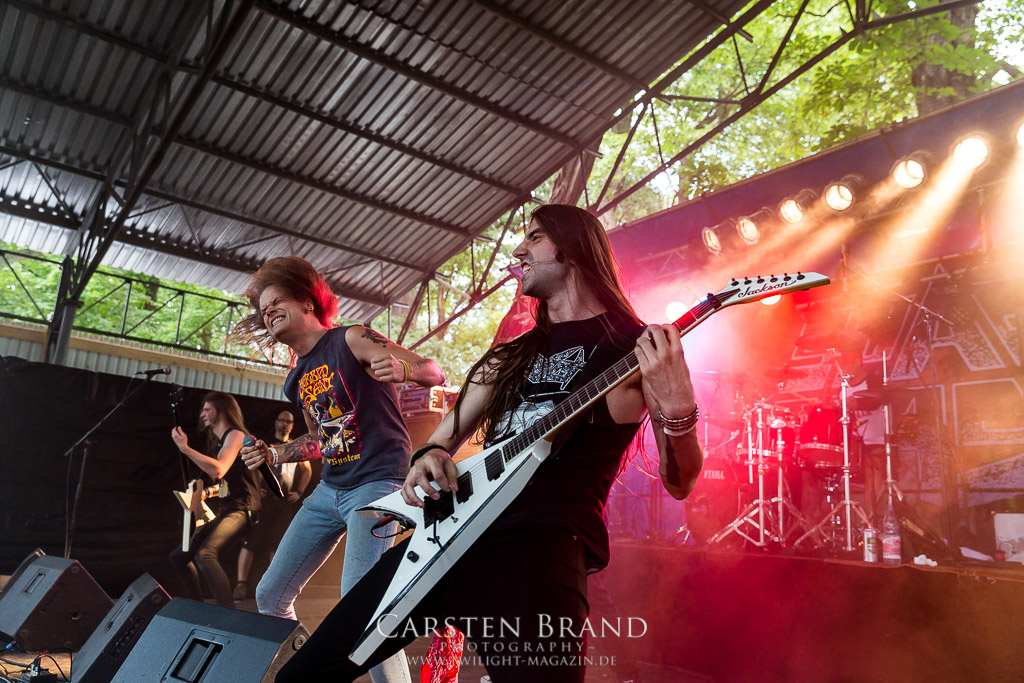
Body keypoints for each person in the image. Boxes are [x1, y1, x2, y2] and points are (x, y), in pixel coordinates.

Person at [271, 204, 704, 682]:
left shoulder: (636, 349)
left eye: (534, 237)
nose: (518, 250)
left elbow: (680, 481)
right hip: (447, 537)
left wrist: (679, 409)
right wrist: (428, 459)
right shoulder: (508, 356)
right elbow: (441, 440)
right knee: (301, 676)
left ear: (573, 249)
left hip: (539, 547)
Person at [233, 255, 446, 683]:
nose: (268, 312)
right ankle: (307, 674)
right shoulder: (296, 377)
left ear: (307, 301)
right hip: (328, 492)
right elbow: (321, 440)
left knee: (360, 606)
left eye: (276, 301)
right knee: (270, 595)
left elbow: (434, 371)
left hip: (377, 484)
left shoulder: (350, 338)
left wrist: (403, 369)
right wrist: (275, 455)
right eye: (263, 309)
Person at [169, 391, 260, 607]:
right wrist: (205, 493)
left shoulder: (235, 435)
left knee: (206, 555)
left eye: (207, 409)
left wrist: (185, 448)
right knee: (180, 556)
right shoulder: (221, 443)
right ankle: (197, 608)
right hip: (228, 508)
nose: (202, 414)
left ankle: (228, 613)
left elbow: (218, 470)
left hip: (243, 509)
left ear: (222, 411)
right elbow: (226, 483)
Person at [232, 409, 312, 602]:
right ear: (275, 422)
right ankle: (241, 584)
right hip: (264, 501)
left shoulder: (295, 446)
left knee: (279, 543)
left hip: (283, 502)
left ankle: (276, 586)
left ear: (292, 425)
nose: (285, 424)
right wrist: (256, 488)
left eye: (288, 421)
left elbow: (307, 470)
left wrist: (299, 492)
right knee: (251, 541)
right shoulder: (265, 443)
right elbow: (250, 465)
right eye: (282, 420)